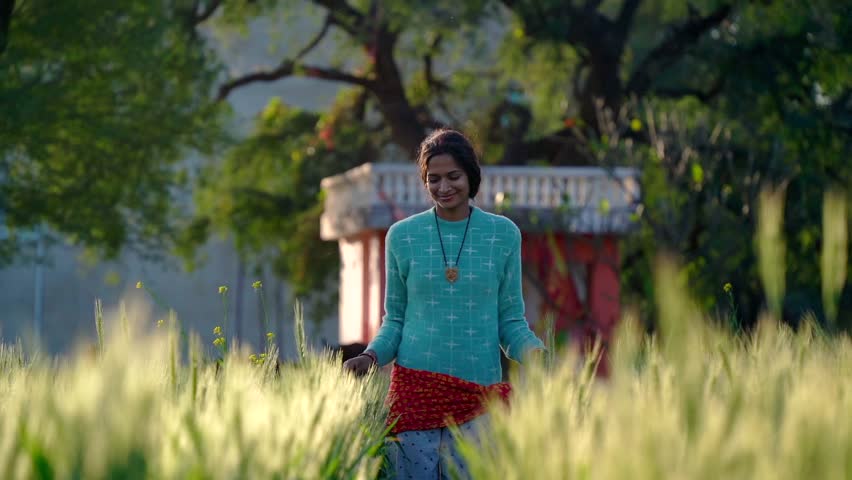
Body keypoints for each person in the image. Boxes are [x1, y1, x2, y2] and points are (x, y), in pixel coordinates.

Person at [343, 128, 544, 479]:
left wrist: (539, 355)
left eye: (454, 176)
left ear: (471, 176)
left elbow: (510, 321)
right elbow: (395, 321)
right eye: (433, 179)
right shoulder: (402, 237)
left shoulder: (503, 234)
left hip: (477, 400)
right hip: (414, 396)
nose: (444, 187)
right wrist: (371, 356)